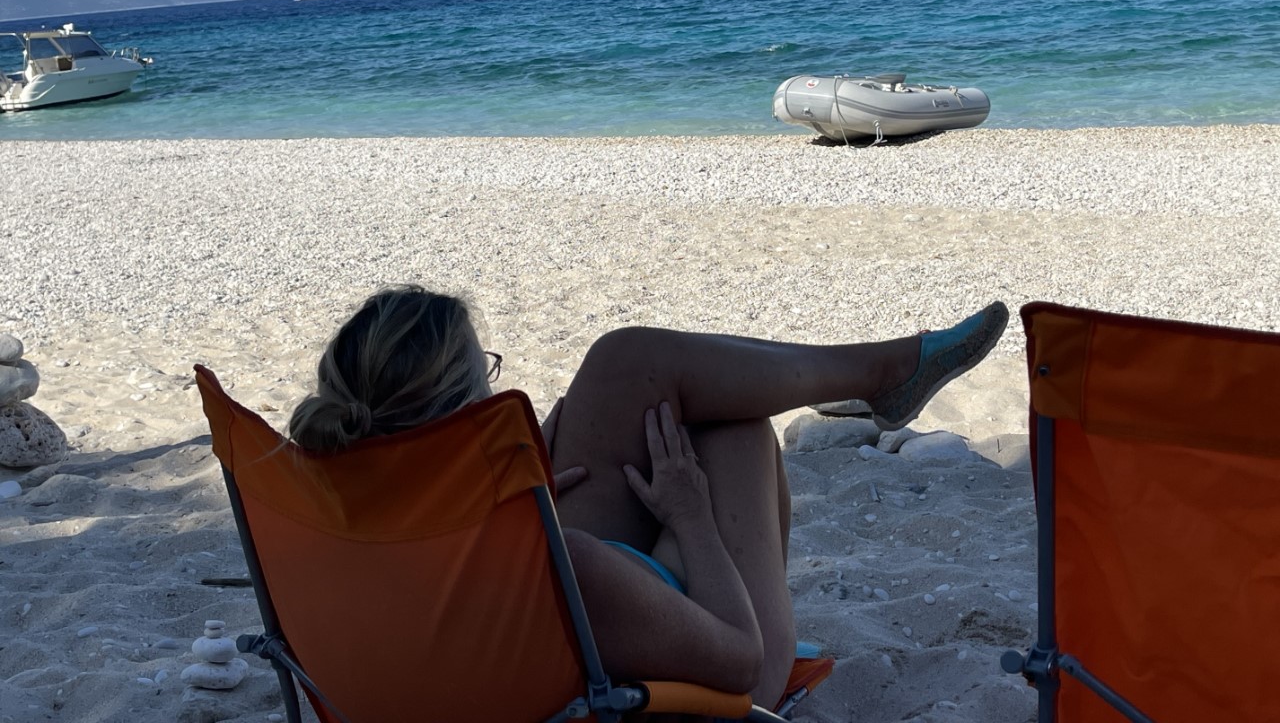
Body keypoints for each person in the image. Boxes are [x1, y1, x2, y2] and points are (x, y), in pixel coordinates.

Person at [288, 286, 1009, 711]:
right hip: (702, 676)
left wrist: (506, 507)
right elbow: (741, 662)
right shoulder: (562, 565)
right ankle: (883, 374)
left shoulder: (321, 549)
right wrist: (690, 519)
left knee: (624, 368)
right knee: (733, 430)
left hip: (538, 633)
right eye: (490, 378)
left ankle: (883, 371)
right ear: (468, 411)